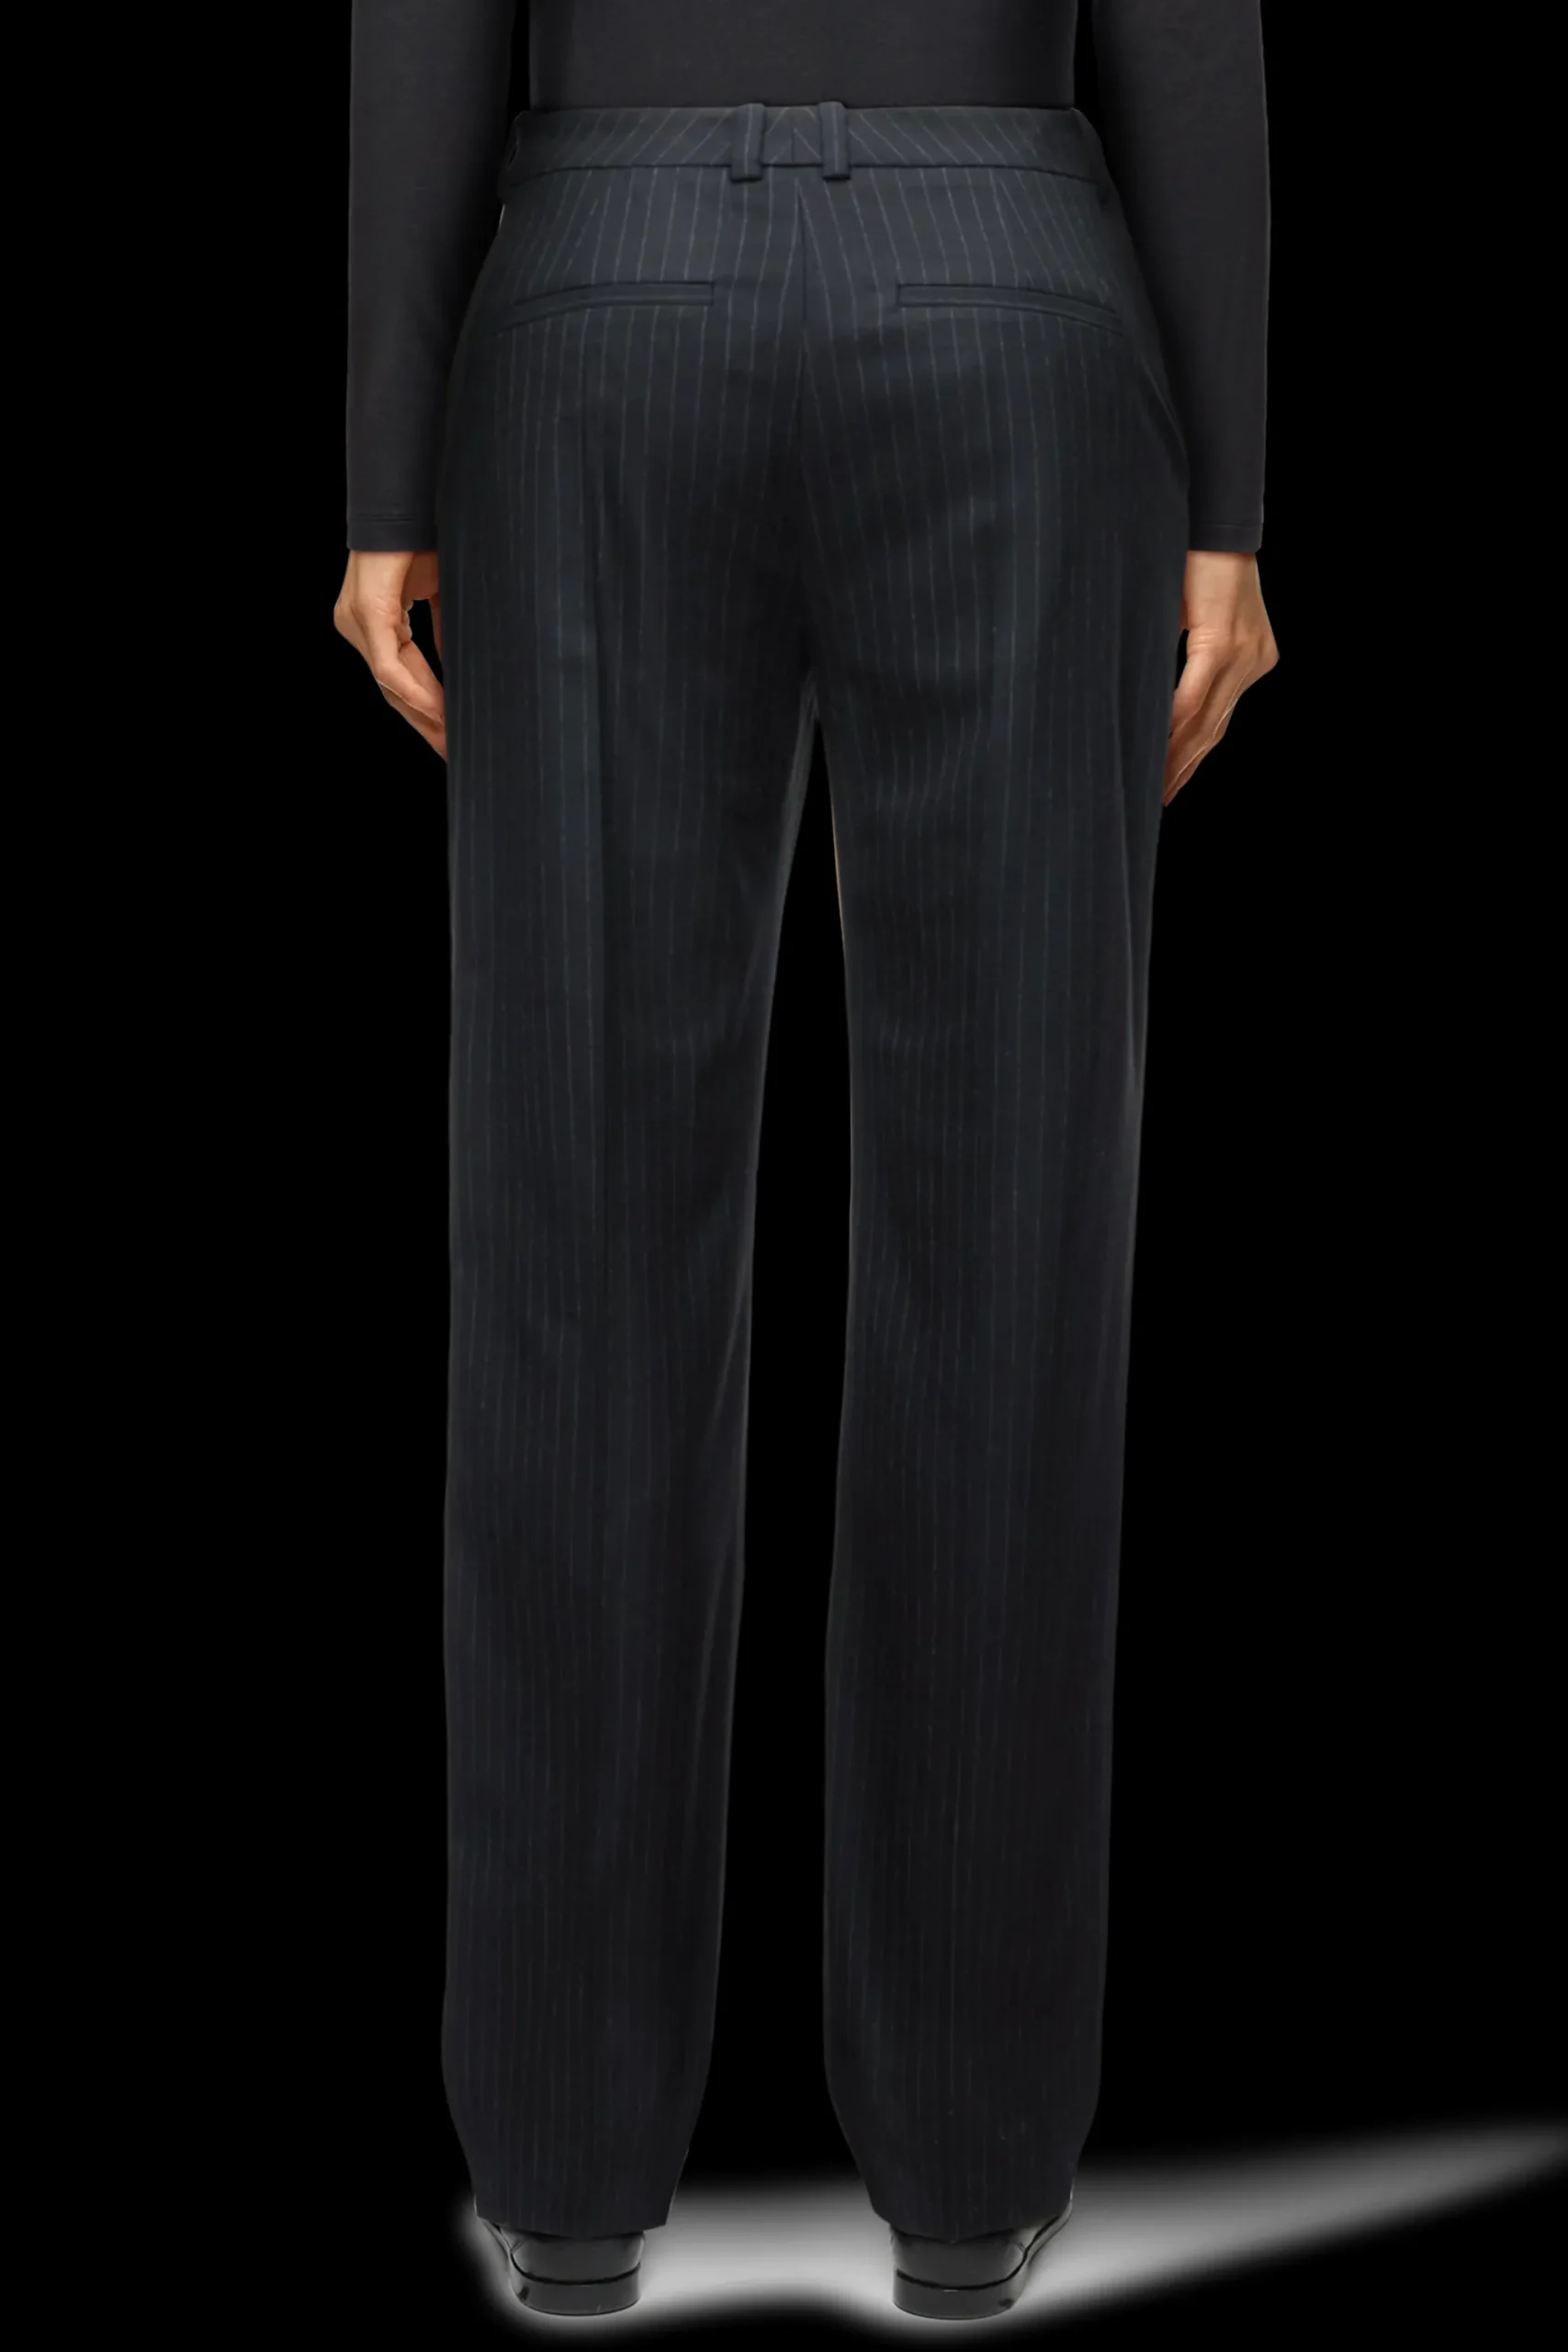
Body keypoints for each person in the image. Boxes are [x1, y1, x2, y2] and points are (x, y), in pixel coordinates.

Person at [334, 2, 1279, 2322]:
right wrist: (1231, 500)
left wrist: (380, 462)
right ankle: (966, 2164)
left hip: (599, 287)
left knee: (569, 1242)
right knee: (1010, 1231)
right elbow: (1180, 16)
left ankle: (565, 2166)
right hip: (1008, 281)